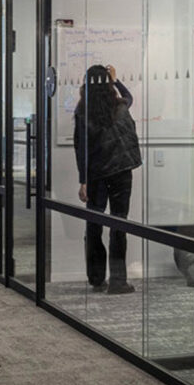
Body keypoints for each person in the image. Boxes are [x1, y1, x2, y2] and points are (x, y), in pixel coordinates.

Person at [73, 64, 141, 294]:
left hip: (96, 175)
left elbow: (80, 149)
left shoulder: (82, 112)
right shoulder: (120, 106)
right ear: (108, 84)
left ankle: (96, 278)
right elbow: (129, 96)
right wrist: (116, 79)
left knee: (94, 225)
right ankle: (118, 281)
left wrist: (83, 181)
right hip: (121, 173)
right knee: (118, 224)